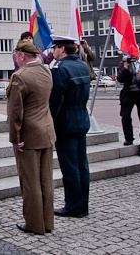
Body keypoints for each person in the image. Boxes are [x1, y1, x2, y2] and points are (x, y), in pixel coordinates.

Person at [7, 39, 56, 235]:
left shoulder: (20, 76)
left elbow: (15, 112)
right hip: (47, 130)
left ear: (21, 56)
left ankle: (34, 224)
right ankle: (48, 222)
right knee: (46, 180)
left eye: (16, 55)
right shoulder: (46, 72)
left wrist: (14, 138)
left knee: (30, 182)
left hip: (29, 135)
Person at [49, 35, 91, 218]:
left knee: (70, 166)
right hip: (81, 116)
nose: (53, 51)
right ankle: (83, 205)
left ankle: (73, 206)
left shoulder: (60, 68)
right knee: (82, 165)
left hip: (65, 120)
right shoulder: (82, 65)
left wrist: (51, 121)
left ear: (62, 49)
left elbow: (56, 99)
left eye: (55, 48)